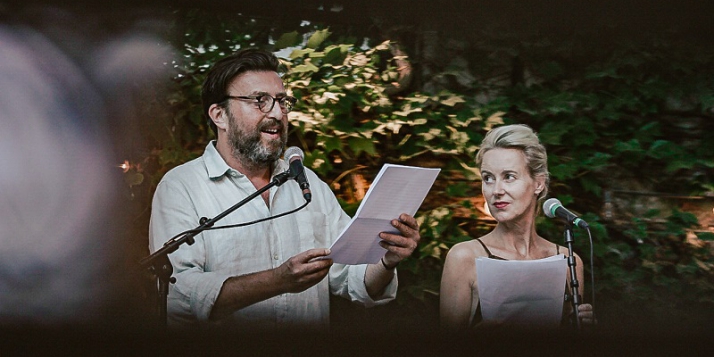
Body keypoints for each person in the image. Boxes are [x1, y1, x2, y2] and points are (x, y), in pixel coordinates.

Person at [149, 48, 420, 331]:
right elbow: (180, 294)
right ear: (220, 115)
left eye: (281, 101)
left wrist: (386, 260)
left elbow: (351, 278)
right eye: (260, 101)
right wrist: (278, 280)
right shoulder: (181, 187)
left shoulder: (308, 184)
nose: (277, 113)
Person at [439, 124, 594, 332]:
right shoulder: (464, 257)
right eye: (488, 178)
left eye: (509, 177)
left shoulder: (568, 261)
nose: (496, 190)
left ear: (538, 183)